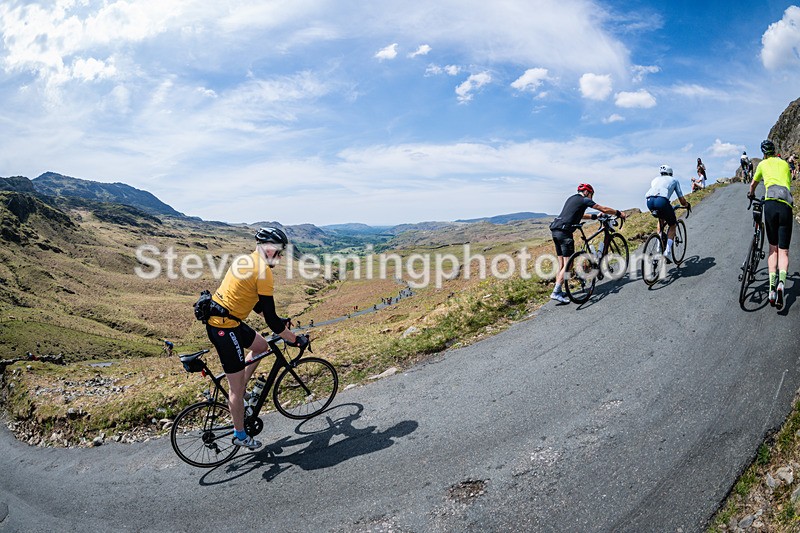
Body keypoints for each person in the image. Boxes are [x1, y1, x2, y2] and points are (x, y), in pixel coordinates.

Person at [206, 227, 307, 449]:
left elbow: (254, 303)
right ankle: (240, 435)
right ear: (269, 249)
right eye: (279, 251)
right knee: (235, 389)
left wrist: (279, 320)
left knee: (261, 346)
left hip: (228, 320)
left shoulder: (246, 261)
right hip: (224, 328)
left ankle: (242, 390)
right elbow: (271, 320)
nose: (280, 257)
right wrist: (293, 339)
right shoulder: (263, 272)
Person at [548, 183, 627, 303]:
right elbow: (603, 209)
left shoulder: (572, 198)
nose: (591, 197)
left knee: (562, 265)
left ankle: (559, 289)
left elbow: (579, 215)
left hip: (555, 231)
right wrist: (618, 213)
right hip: (565, 234)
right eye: (591, 195)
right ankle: (556, 292)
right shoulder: (584, 200)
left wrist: (594, 217)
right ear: (587, 192)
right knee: (568, 265)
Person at [748, 140, 793, 309]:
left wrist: (751, 194)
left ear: (764, 153)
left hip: (771, 204)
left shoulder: (762, 164)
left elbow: (753, 184)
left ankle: (772, 288)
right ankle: (782, 283)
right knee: (784, 250)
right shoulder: (785, 164)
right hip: (786, 205)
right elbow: (787, 183)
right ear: (775, 151)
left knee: (773, 249)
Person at [645, 165, 691, 261]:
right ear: (671, 173)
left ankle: (658, 246)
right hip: (662, 201)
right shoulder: (674, 180)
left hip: (649, 201)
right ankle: (668, 252)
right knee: (672, 225)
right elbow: (682, 200)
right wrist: (686, 205)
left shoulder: (655, 180)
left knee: (660, 219)